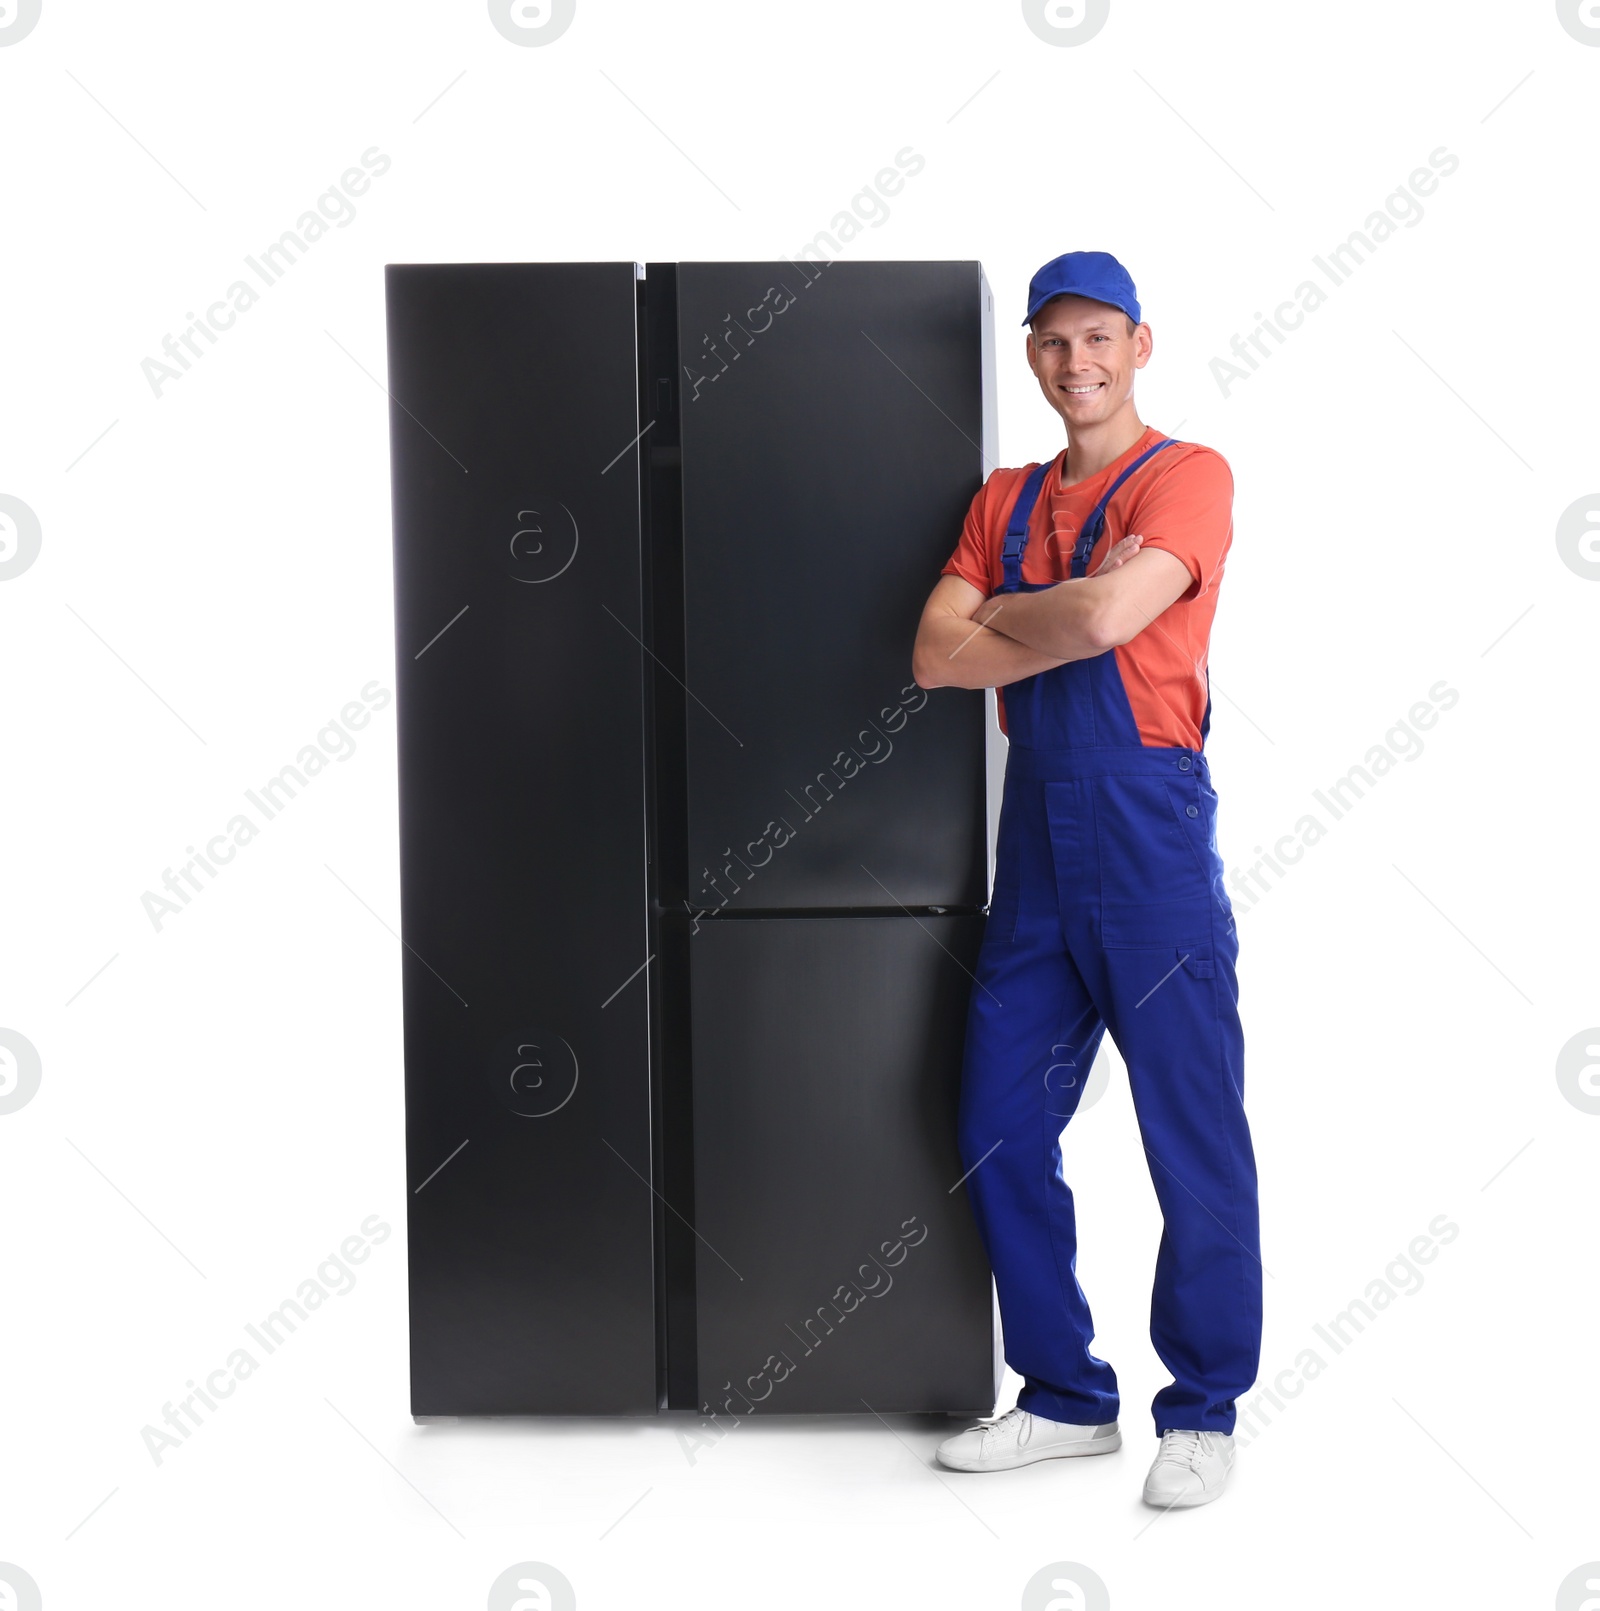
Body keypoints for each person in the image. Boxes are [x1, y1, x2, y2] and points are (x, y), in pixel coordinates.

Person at [911, 250, 1261, 1510]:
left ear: (1140, 344)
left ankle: (1205, 1410)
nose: (1078, 363)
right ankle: (1063, 1395)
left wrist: (1008, 618)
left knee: (1191, 1134)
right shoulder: (1002, 498)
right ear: (1031, 358)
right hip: (1040, 850)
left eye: (1098, 338)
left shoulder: (1190, 477)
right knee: (997, 1122)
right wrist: (1055, 607)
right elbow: (932, 661)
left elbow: (1112, 626)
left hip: (1152, 834)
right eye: (1054, 343)